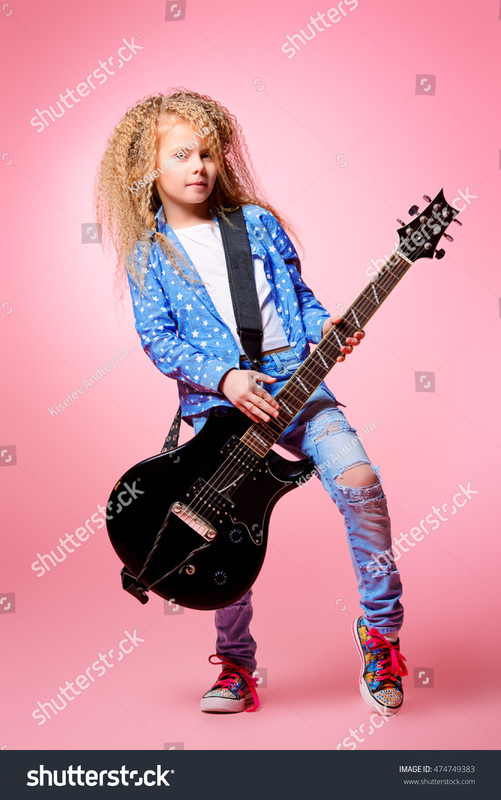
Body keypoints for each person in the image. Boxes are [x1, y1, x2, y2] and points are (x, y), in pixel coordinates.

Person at [95, 88, 407, 719]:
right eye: (181, 154)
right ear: (146, 168)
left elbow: (300, 297)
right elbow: (160, 341)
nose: (199, 166)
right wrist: (225, 378)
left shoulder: (257, 224)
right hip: (222, 413)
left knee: (360, 480)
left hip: (299, 386)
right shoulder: (148, 254)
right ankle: (237, 664)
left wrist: (324, 326)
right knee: (219, 534)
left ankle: (381, 634)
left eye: (208, 153)